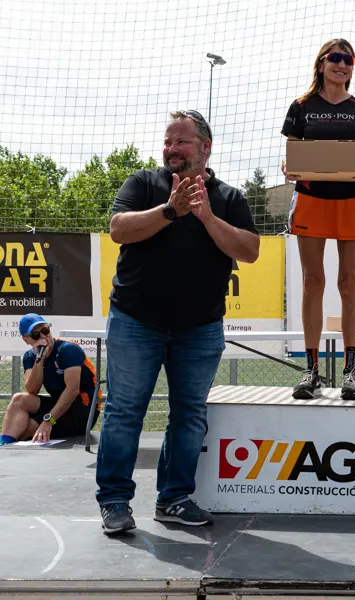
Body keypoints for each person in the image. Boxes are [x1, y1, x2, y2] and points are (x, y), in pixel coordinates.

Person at [96, 110, 260, 535]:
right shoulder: (142, 184)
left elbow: (249, 250)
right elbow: (118, 229)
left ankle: (173, 499)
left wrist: (204, 216)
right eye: (168, 141)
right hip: (136, 320)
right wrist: (170, 210)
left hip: (199, 327)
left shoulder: (228, 198)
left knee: (188, 416)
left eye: (182, 141)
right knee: (123, 413)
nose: (172, 148)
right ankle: (114, 501)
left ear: (205, 148)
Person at [281, 38, 355, 400]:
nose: (342, 65)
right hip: (311, 200)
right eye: (335, 58)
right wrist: (288, 168)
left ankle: (351, 372)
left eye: (349, 60)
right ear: (321, 63)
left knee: (349, 282)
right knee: (312, 282)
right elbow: (290, 157)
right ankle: (311, 372)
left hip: (352, 201)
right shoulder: (302, 107)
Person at [0, 314, 100, 445]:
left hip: (83, 409)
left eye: (45, 330)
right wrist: (39, 360)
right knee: (19, 399)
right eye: (36, 335)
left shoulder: (68, 349)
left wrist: (48, 421)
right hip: (58, 405)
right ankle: (3, 446)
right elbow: (32, 390)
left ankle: (5, 448)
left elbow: (72, 390)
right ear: (26, 339)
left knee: (25, 428)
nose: (43, 337)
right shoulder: (30, 357)